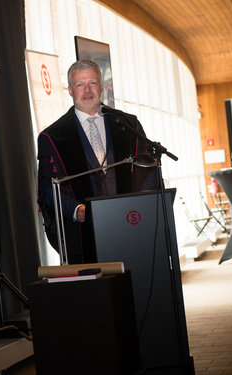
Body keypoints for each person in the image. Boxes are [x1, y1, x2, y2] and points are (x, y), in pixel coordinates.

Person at [37, 60, 157, 264]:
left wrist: (141, 204)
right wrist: (76, 210)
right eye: (79, 84)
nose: (87, 90)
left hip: (130, 223)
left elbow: (148, 171)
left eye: (92, 83)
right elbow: (48, 187)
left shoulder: (128, 124)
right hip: (84, 233)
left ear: (102, 87)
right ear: (69, 90)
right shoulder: (53, 137)